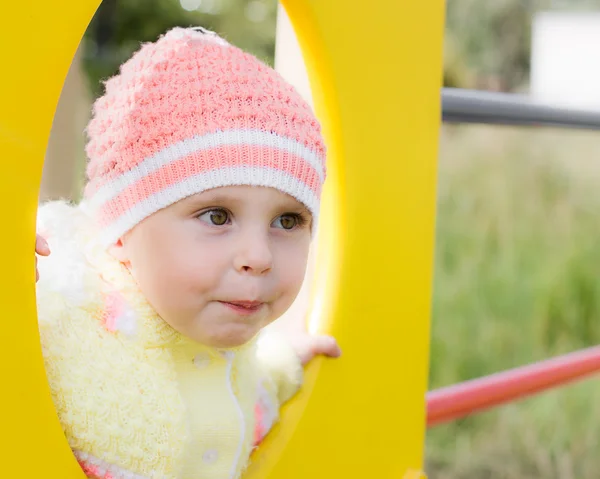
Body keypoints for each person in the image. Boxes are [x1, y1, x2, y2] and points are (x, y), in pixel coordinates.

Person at [34, 26, 341, 479]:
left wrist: (289, 359)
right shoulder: (61, 314)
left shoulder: (231, 341)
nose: (258, 256)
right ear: (120, 229)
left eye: (287, 221)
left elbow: (252, 383)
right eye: (217, 216)